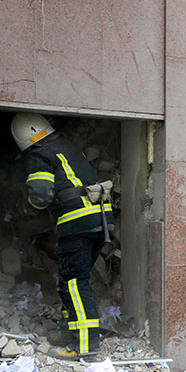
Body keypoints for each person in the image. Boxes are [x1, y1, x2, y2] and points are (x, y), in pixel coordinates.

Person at [12, 113, 114, 359]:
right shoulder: (67, 147)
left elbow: (41, 194)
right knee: (72, 280)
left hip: (77, 222)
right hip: (100, 220)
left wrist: (28, 208)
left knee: (73, 282)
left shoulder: (39, 155)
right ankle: (69, 333)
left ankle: (85, 346)